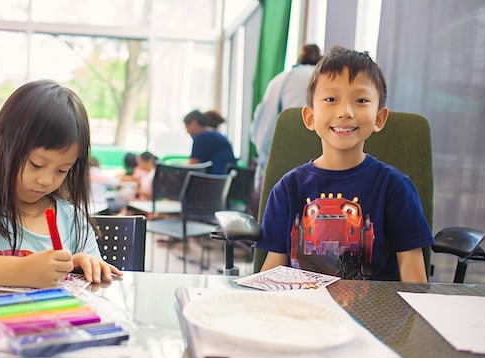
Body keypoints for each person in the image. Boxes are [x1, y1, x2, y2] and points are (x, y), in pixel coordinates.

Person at [0, 80, 122, 288]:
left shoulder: (73, 220)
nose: (46, 180)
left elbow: (96, 279)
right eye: (36, 164)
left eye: (62, 170)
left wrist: (81, 265)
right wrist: (22, 270)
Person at [256, 46, 434, 282]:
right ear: (310, 117)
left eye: (361, 100)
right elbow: (272, 271)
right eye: (331, 99)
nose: (345, 112)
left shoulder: (395, 188)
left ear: (379, 118)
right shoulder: (288, 189)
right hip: (303, 313)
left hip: (373, 315)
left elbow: (414, 280)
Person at [250, 44, 322, 191]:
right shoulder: (328, 79)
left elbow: (263, 132)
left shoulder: (282, 79)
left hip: (285, 165)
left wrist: (264, 165)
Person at [182, 109, 236, 174]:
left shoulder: (202, 137)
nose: (187, 131)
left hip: (216, 180)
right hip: (227, 179)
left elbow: (192, 165)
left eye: (187, 126)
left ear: (194, 123)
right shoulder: (215, 134)